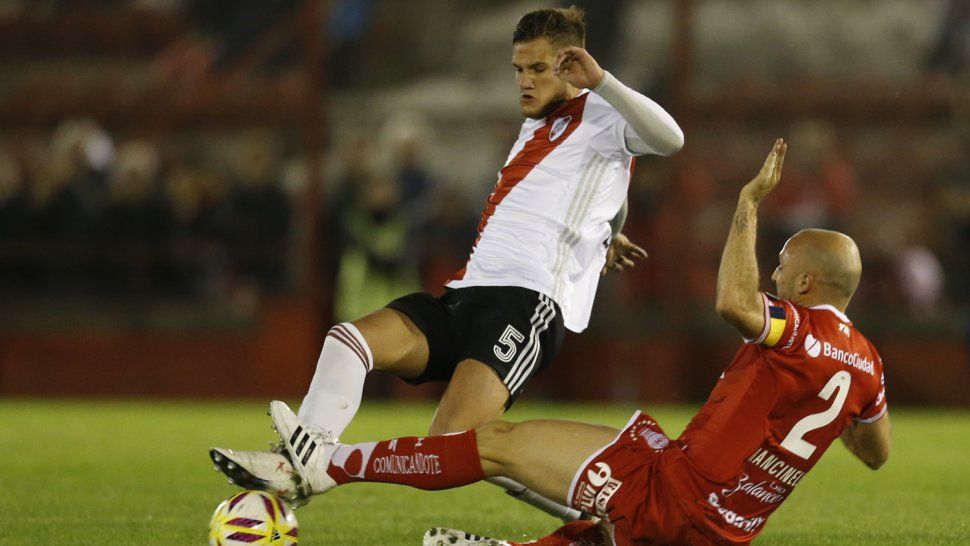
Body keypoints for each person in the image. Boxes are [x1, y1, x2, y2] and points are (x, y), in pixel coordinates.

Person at [212, 140, 891, 545]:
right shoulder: (867, 365)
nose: (773, 271)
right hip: (726, 530)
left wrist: (747, 205)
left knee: (494, 444)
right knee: (612, 513)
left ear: (804, 281)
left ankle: (321, 464)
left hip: (674, 491)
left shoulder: (796, 326)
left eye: (781, 266)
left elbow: (734, 304)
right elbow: (873, 452)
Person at [209, 6, 684, 519]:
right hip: (468, 294)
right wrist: (609, 233)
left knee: (453, 446)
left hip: (527, 306)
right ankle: (301, 460)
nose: (524, 82)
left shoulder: (604, 113)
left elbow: (671, 140)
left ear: (572, 66)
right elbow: (607, 190)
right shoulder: (536, 128)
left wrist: (604, 82)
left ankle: (319, 464)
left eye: (537, 69)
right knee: (350, 341)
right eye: (518, 70)